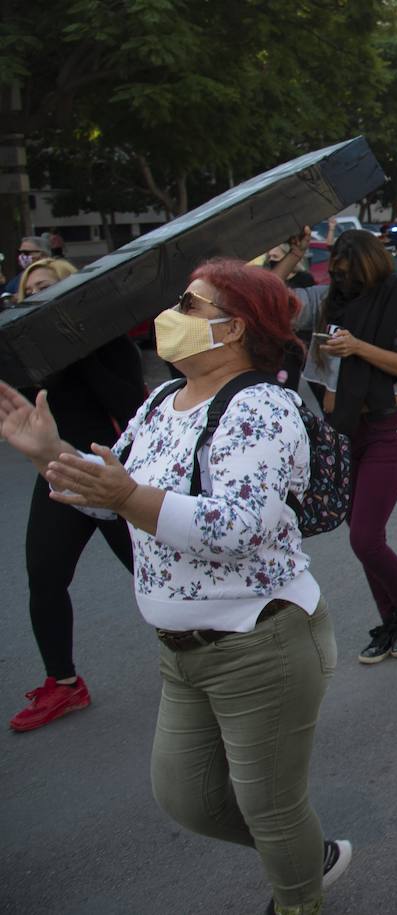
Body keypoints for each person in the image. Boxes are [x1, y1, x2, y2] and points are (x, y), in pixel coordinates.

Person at [0, 260, 352, 914]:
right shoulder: (163, 401)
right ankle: (306, 852)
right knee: (185, 796)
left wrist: (130, 495)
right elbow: (111, 498)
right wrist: (48, 453)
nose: (172, 315)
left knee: (270, 806)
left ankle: (299, 893)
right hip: (180, 651)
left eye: (189, 304)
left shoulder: (261, 407)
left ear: (233, 326)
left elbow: (239, 526)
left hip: (261, 645)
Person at [273, 230, 397, 664]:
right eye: (337, 275)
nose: (344, 283)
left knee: (365, 536)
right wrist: (294, 256)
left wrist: (359, 347)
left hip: (385, 429)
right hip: (342, 432)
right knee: (360, 536)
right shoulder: (328, 300)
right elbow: (270, 304)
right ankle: (390, 621)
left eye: (350, 275)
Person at [7, 258, 146, 733]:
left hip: (110, 472)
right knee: (44, 577)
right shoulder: (23, 352)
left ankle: (215, 650)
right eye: (30, 293)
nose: (36, 300)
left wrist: (78, 349)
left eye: (47, 289)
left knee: (151, 573)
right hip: (56, 472)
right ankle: (63, 684)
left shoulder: (105, 342)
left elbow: (132, 409)